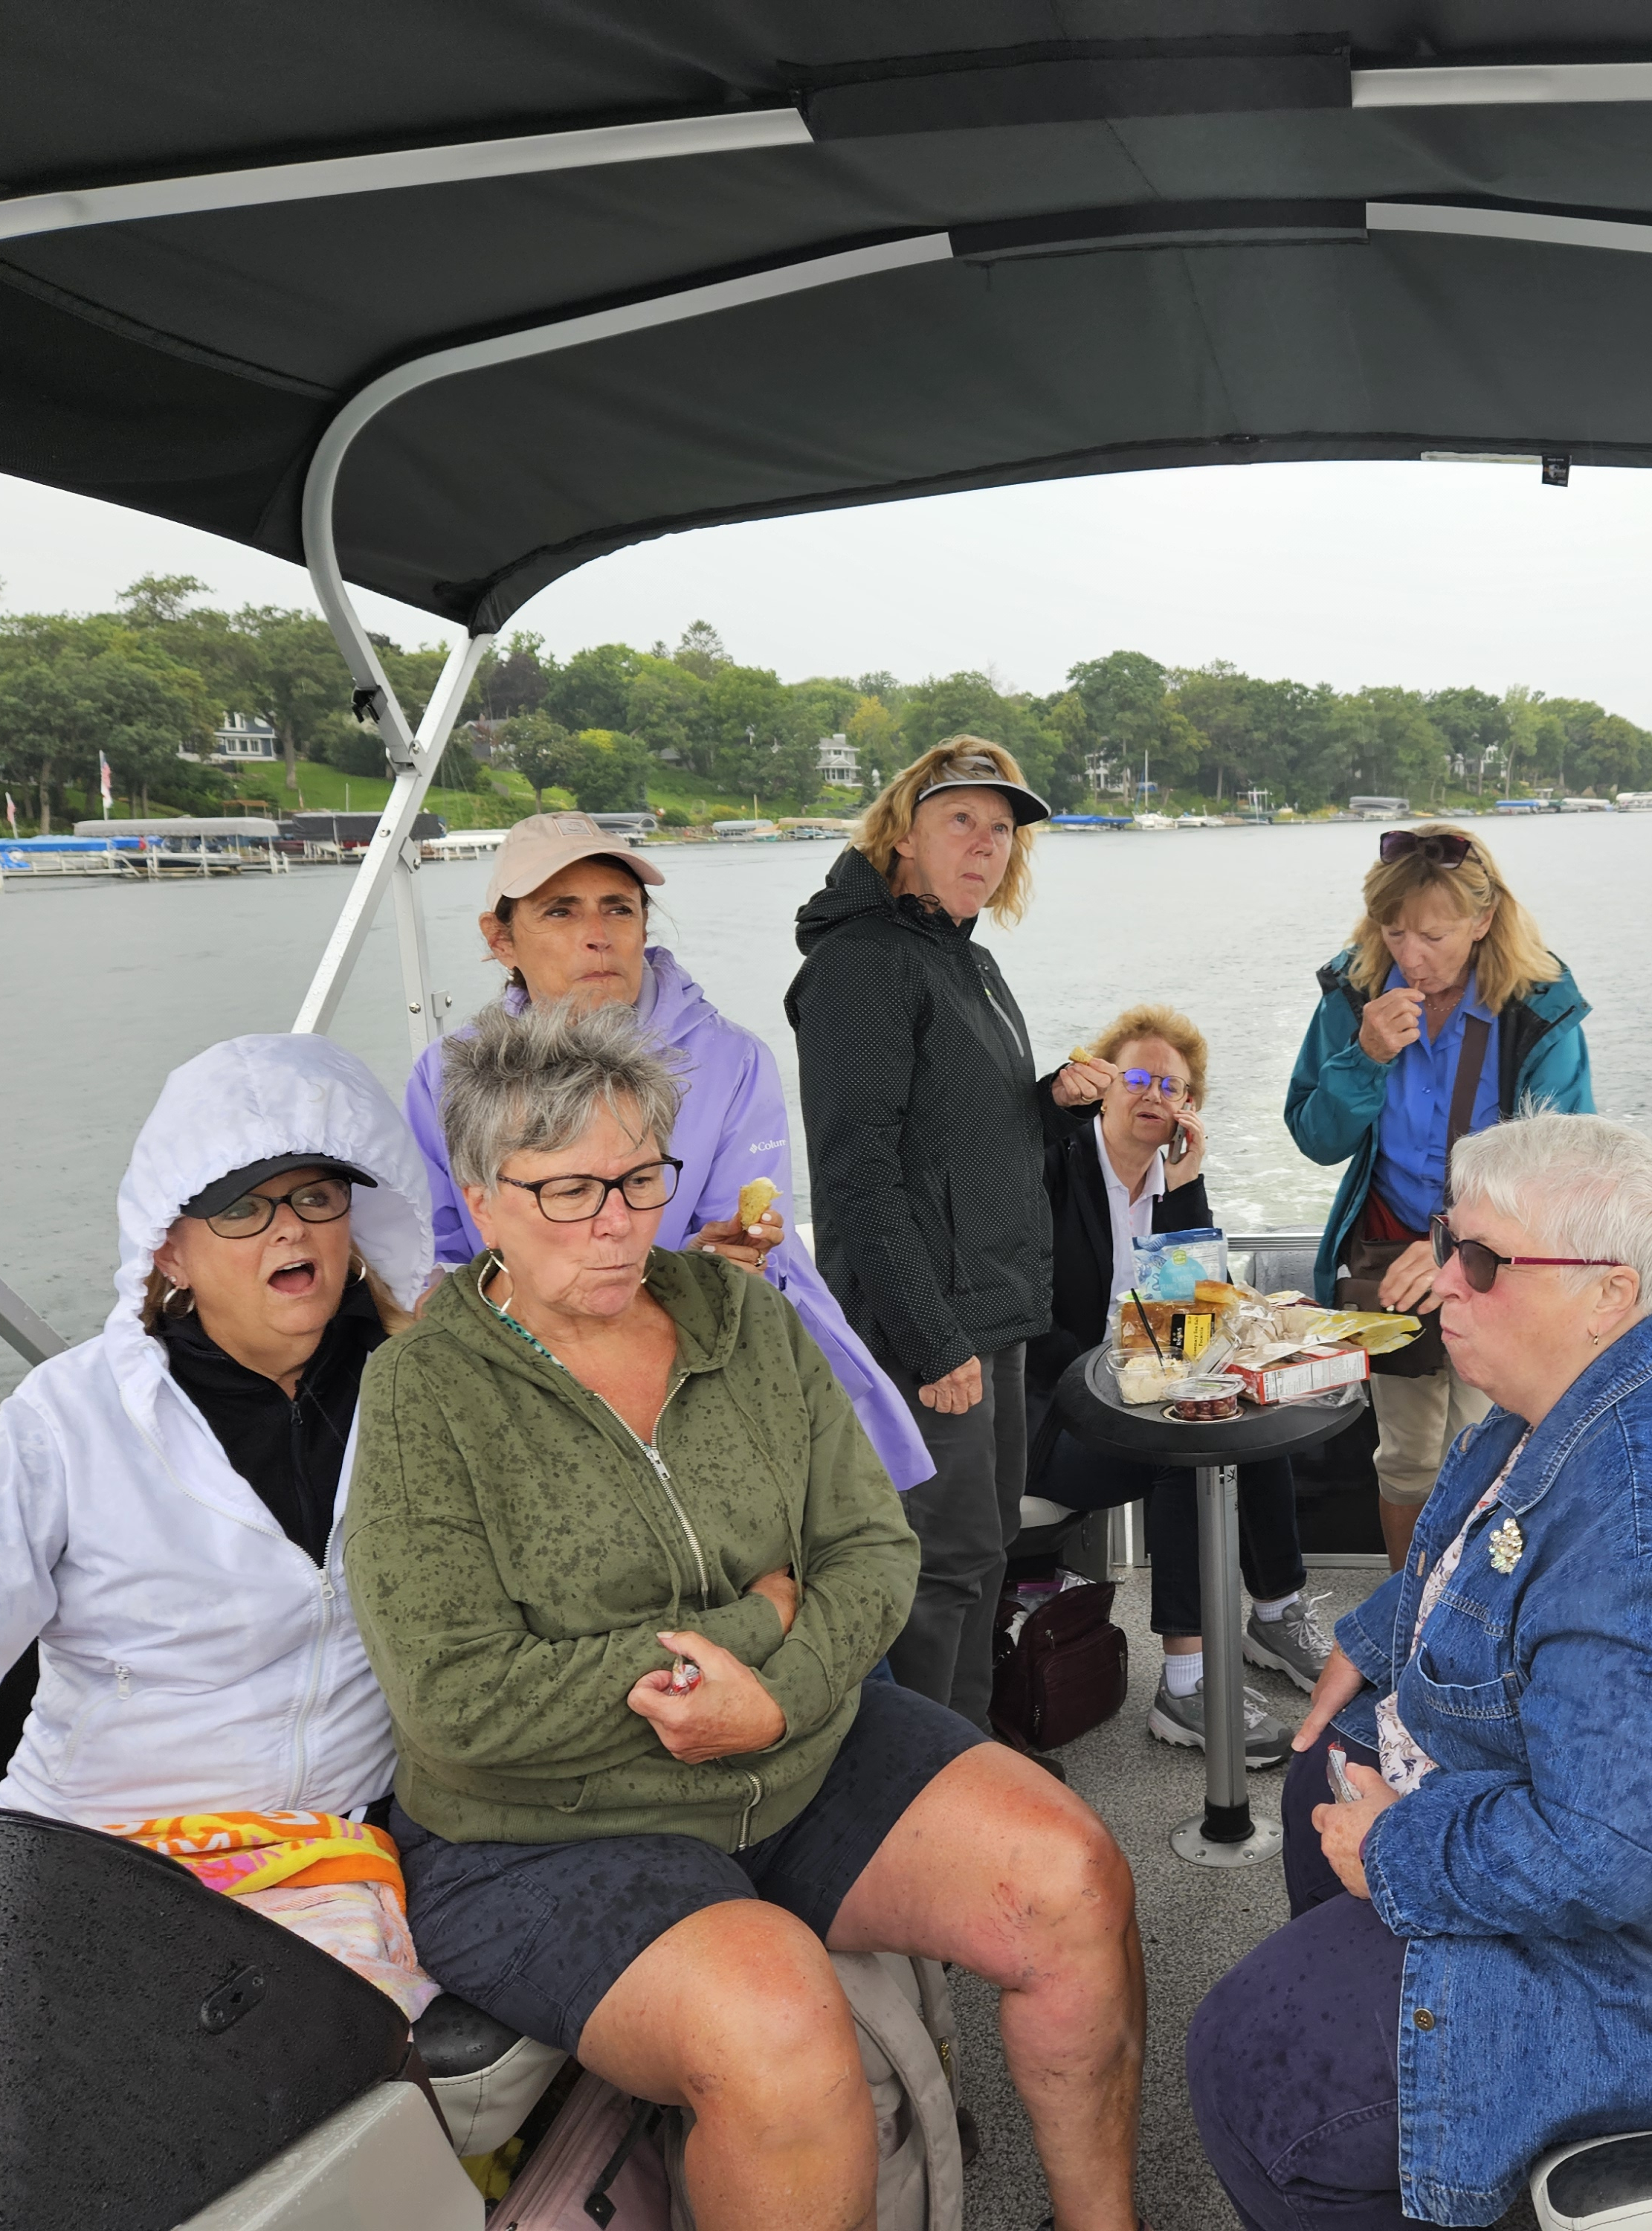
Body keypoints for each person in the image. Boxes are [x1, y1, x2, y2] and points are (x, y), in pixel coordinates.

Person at [346, 1000, 1143, 2230]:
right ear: (482, 1197)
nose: (618, 1224)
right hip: (543, 1831)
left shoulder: (745, 1321)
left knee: (1073, 1875)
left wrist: (773, 1692)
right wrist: (749, 1634)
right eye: (568, 1193)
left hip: (797, 1746)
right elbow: (457, 1698)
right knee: (778, 2026)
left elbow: (871, 1549)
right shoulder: (420, 1395)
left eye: (639, 1178)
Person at [1188, 1114, 1652, 2230]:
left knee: (1262, 2074)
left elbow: (1641, 1850)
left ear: (1604, 1290)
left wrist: (1401, 1852)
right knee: (1326, 1772)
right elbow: (1488, 1546)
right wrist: (1377, 1641)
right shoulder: (1577, 1391)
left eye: (1482, 1262)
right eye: (1449, 1245)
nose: (1440, 1284)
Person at [0, 1034, 442, 2009]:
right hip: (95, 1856)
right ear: (170, 1246)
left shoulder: (431, 1396)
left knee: (315, 2083)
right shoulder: (73, 1423)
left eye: (317, 1196)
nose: (289, 1230)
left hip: (326, 1856)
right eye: (242, 1206)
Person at [403, 809, 932, 1495]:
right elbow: (442, 1247)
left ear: (644, 927)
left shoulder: (733, 1058)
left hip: (716, 1344)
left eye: (618, 910)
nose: (597, 937)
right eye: (560, 912)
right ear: (500, 938)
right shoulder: (445, 1074)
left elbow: (744, 1243)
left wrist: (732, 1255)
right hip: (525, 1363)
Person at [787, 739, 1113, 1728]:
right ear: (902, 835)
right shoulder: (861, 964)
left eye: (1002, 829)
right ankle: (932, 1797)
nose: (986, 843)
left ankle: (979, 1761)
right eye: (960, 820)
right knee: (935, 1572)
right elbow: (856, 1173)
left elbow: (961, 1135)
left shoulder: (963, 959)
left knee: (982, 1553)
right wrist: (932, 1341)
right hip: (928, 1329)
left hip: (992, 1317)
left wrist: (1049, 1104)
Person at [1025, 1003, 1328, 1766]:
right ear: (1100, 1083)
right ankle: (1185, 1689)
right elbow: (1026, 1320)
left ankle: (1277, 1613)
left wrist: (1184, 1193)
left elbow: (1199, 1321)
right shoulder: (1050, 1165)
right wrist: (1125, 1368)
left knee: (1243, 1410)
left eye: (1174, 1084)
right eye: (1137, 1075)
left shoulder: (1176, 1183)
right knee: (1188, 1446)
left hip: (1145, 1396)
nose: (1154, 1094)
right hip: (1053, 1413)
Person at [1286, 823, 1594, 1567]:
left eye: (1433, 935)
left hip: (1507, 1258)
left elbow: (1561, 1169)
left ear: (1483, 921)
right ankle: (1405, 1628)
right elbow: (1314, 1137)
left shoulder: (1538, 1009)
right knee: (1408, 1461)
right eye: (1393, 932)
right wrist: (1363, 1059)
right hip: (1391, 1254)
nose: (1410, 956)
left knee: (1497, 1455)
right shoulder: (1353, 993)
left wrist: (1454, 1246)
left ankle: (1479, 1632)